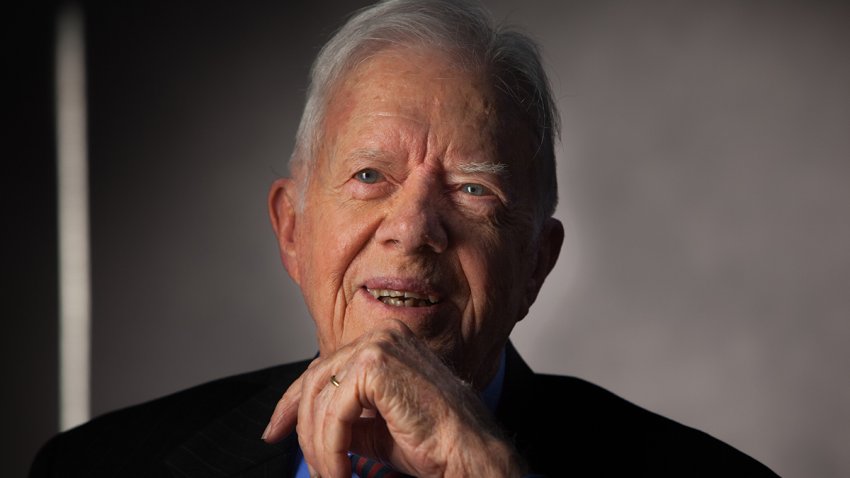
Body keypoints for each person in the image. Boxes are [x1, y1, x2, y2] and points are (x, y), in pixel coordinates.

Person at [30, 0, 780, 476]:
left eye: (473, 190)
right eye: (368, 176)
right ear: (292, 231)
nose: (414, 228)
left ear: (535, 268)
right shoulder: (95, 465)